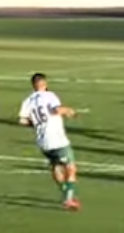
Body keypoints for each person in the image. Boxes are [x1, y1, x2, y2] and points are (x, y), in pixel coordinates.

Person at [18, 73, 81, 211]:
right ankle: (68, 199)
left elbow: (22, 120)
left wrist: (36, 123)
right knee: (71, 168)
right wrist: (69, 111)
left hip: (42, 142)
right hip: (57, 140)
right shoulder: (49, 95)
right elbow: (56, 110)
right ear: (45, 84)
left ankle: (65, 192)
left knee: (56, 165)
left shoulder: (27, 101)